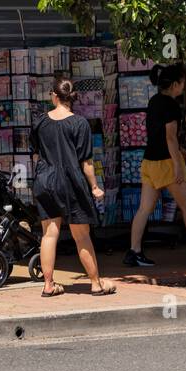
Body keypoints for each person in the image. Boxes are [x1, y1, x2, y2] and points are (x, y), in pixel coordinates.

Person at [126, 63, 186, 266]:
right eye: (183, 82)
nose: (184, 86)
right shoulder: (171, 105)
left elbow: (160, 134)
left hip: (149, 162)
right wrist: (177, 163)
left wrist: (179, 151)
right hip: (166, 163)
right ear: (176, 84)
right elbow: (170, 137)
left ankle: (134, 251)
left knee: (144, 209)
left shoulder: (154, 101)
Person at [32, 78, 113, 297]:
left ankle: (48, 285)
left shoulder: (40, 122)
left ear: (54, 96)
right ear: (71, 97)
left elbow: (36, 154)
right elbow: (86, 162)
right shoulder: (79, 123)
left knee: (49, 233)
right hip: (71, 181)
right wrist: (94, 186)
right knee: (81, 235)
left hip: (45, 179)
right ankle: (96, 283)